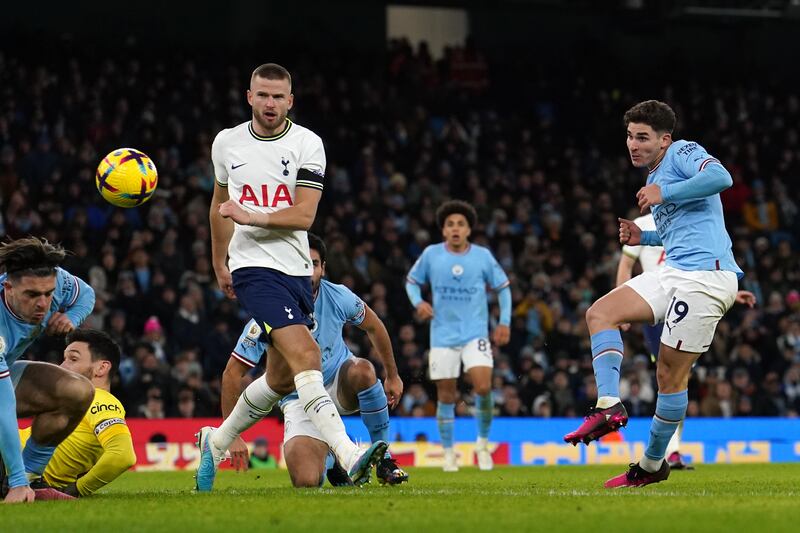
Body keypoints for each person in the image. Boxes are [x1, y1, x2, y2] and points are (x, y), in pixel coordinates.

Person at [199, 63, 385, 491]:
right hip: (253, 268)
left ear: (290, 101)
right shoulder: (226, 143)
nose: (270, 103)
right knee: (308, 356)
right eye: (262, 95)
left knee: (281, 377)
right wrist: (219, 262)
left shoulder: (307, 143)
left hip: (297, 269)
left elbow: (304, 214)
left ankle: (216, 440)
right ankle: (348, 451)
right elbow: (218, 206)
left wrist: (251, 214)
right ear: (249, 96)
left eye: (278, 97)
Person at [564, 100, 743, 488]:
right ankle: (609, 406)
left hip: (705, 278)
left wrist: (667, 191)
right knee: (600, 313)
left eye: (642, 137)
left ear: (664, 140)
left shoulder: (682, 153)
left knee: (669, 374)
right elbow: (679, 230)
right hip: (674, 270)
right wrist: (642, 236)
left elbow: (722, 177)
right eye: (629, 136)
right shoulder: (654, 178)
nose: (633, 144)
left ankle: (651, 463)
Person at [219, 234, 407, 487]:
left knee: (363, 370)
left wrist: (392, 375)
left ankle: (385, 460)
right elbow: (232, 373)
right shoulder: (269, 308)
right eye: (301, 262)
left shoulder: (338, 296)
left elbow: (375, 326)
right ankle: (333, 460)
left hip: (339, 384)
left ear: (323, 268)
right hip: (298, 399)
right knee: (306, 482)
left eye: (314, 263)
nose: (308, 270)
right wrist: (233, 434)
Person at [616, 213, 758, 471]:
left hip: (691, 298)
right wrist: (621, 305)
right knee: (669, 377)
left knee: (679, 378)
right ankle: (665, 452)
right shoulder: (644, 223)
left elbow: (701, 267)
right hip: (657, 303)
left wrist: (731, 292)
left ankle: (670, 451)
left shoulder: (685, 219)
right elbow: (625, 267)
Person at [405, 200, 512, 472]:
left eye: (460, 224)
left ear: (468, 230)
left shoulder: (483, 256)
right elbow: (411, 282)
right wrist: (418, 302)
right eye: (450, 224)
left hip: (475, 333)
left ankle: (483, 444)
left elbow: (503, 289)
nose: (455, 228)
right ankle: (449, 452)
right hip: (441, 336)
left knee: (484, 386)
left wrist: (504, 322)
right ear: (443, 230)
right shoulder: (431, 255)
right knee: (446, 395)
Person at [0, 237, 96, 503]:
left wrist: (71, 318)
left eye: (48, 293)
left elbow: (86, 294)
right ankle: (16, 483)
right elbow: (2, 406)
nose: (43, 303)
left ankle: (30, 479)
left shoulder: (57, 282)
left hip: (4, 375)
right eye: (32, 295)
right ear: (8, 287)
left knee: (77, 391)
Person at [18, 329, 136, 496]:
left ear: (101, 368)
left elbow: (123, 455)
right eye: (64, 358)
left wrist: (78, 489)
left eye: (73, 359)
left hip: (11, 468)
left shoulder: (99, 399)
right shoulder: (68, 403)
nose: (62, 366)